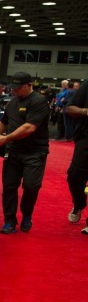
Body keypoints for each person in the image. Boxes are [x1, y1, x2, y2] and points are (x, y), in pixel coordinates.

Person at [0, 72, 50, 234]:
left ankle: (27, 215)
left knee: (31, 186)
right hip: (13, 152)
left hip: (35, 152)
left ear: (28, 85)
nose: (14, 91)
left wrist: (6, 138)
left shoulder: (39, 101)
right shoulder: (12, 103)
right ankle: (9, 220)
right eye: (13, 88)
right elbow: (3, 123)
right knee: (9, 187)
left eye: (18, 88)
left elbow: (29, 128)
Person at [64, 81, 88, 234]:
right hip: (86, 137)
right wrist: (86, 111)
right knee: (74, 176)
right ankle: (79, 204)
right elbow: (69, 108)